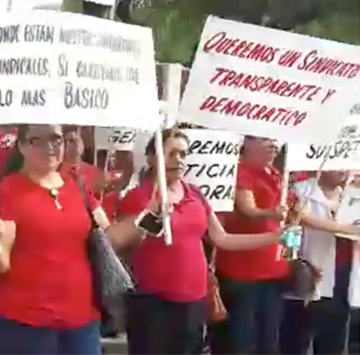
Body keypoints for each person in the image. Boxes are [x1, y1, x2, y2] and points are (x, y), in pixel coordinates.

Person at [117, 129, 291, 354]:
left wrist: (273, 238)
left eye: (183, 154)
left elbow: (222, 238)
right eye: (171, 154)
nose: (179, 160)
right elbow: (125, 244)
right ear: (152, 158)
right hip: (155, 303)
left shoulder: (195, 194)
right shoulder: (139, 197)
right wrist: (152, 213)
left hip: (194, 301)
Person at [0, 124, 135, 355]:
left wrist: (148, 215)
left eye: (56, 139)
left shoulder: (76, 186)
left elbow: (109, 236)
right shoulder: (8, 191)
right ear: (22, 146)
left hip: (82, 322)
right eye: (38, 140)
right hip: (28, 325)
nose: (50, 147)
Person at [211, 136, 291, 354]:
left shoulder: (275, 173)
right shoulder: (238, 171)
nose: (273, 145)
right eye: (266, 139)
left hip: (272, 269)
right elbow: (248, 209)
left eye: (275, 139)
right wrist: (271, 213)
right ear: (247, 143)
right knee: (240, 341)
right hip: (242, 271)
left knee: (268, 341)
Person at [280, 170, 360, 354]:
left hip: (343, 274)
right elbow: (296, 221)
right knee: (299, 338)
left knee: (335, 339)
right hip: (309, 272)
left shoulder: (352, 195)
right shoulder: (300, 191)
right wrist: (348, 229)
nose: (343, 171)